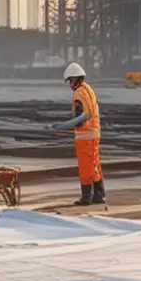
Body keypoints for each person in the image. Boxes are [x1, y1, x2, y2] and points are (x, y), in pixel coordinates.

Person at [59, 63, 104, 206]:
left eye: (71, 81)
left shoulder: (79, 94)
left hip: (85, 135)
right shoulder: (88, 89)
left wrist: (65, 125)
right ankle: (98, 194)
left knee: (86, 167)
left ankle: (86, 197)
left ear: (76, 79)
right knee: (94, 164)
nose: (70, 84)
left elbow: (81, 117)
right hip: (95, 133)